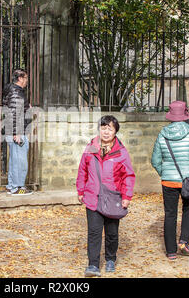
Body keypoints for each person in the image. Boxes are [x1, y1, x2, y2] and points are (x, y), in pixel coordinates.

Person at [76, 115, 135, 277]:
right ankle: (93, 265)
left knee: (112, 232)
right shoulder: (91, 148)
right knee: (94, 232)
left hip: (113, 197)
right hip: (93, 196)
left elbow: (128, 176)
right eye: (103, 128)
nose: (106, 131)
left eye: (110, 128)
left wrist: (126, 196)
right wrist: (80, 191)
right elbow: (83, 171)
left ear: (115, 131)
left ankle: (110, 258)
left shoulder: (121, 152)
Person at [151, 101, 189, 260]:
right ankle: (183, 241)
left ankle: (170, 251)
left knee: (170, 214)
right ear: (185, 115)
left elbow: (155, 160)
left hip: (168, 181)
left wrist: (166, 173)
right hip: (188, 180)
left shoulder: (162, 134)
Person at [3, 69, 32, 195]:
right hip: (17, 131)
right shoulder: (16, 92)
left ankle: (11, 185)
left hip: (13, 130)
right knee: (20, 161)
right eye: (25, 78)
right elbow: (15, 112)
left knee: (15, 160)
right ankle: (17, 187)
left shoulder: (13, 91)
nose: (27, 80)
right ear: (20, 78)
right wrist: (17, 132)